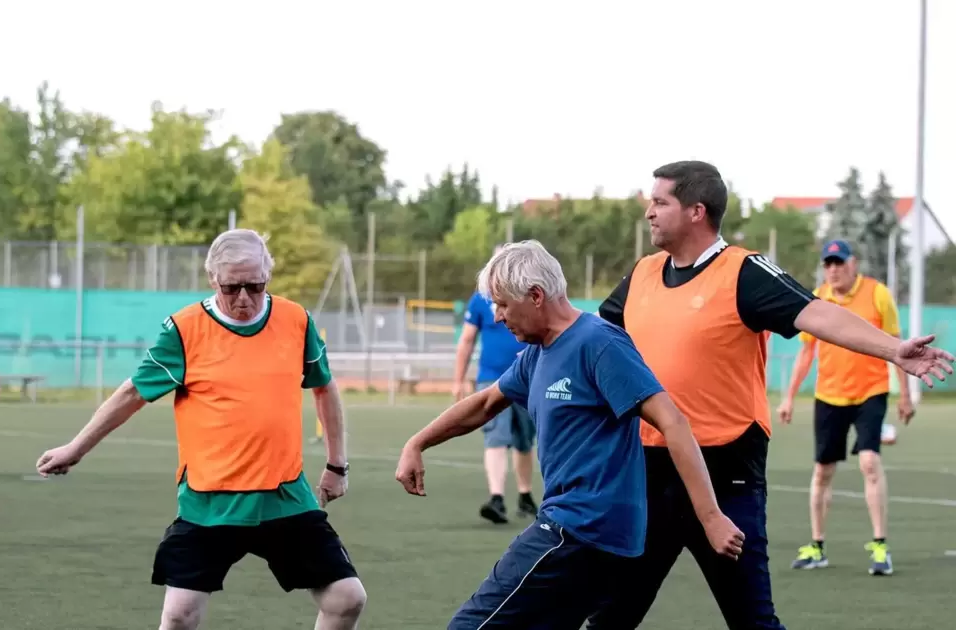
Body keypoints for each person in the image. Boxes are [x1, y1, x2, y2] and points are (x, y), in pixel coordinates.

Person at [588, 160, 952, 630]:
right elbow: (594, 340)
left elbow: (818, 314)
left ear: (697, 211)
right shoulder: (641, 274)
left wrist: (893, 350)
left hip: (726, 474)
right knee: (609, 618)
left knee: (753, 622)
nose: (649, 212)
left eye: (660, 202)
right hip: (648, 472)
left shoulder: (743, 271)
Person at [395, 240, 745, 629]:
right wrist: (418, 442)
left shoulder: (599, 343)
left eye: (503, 304)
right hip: (587, 536)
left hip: (581, 530)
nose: (496, 317)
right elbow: (486, 403)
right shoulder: (537, 352)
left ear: (536, 295)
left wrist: (710, 517)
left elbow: (673, 421)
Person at [35, 229, 367, 630]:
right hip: (211, 501)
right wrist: (76, 448)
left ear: (268, 275)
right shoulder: (184, 330)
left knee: (347, 598)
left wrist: (337, 464)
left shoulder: (296, 320)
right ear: (213, 279)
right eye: (232, 287)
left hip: (282, 495)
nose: (244, 298)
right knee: (179, 616)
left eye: (255, 285)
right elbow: (132, 394)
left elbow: (324, 387)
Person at [777, 239, 914, 576]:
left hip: (871, 391)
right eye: (828, 263)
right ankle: (817, 545)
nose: (834, 269)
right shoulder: (817, 298)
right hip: (829, 395)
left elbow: (898, 347)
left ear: (853, 263)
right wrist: (789, 396)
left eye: (839, 262)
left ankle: (880, 546)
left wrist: (906, 395)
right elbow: (806, 353)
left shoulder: (878, 294)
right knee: (823, 470)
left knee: (869, 460)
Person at [453, 245, 537, 524]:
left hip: (528, 378)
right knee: (496, 437)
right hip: (492, 379)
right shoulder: (480, 299)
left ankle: (525, 495)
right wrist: (458, 379)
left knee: (525, 441)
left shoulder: (529, 294)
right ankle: (497, 497)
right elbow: (466, 340)